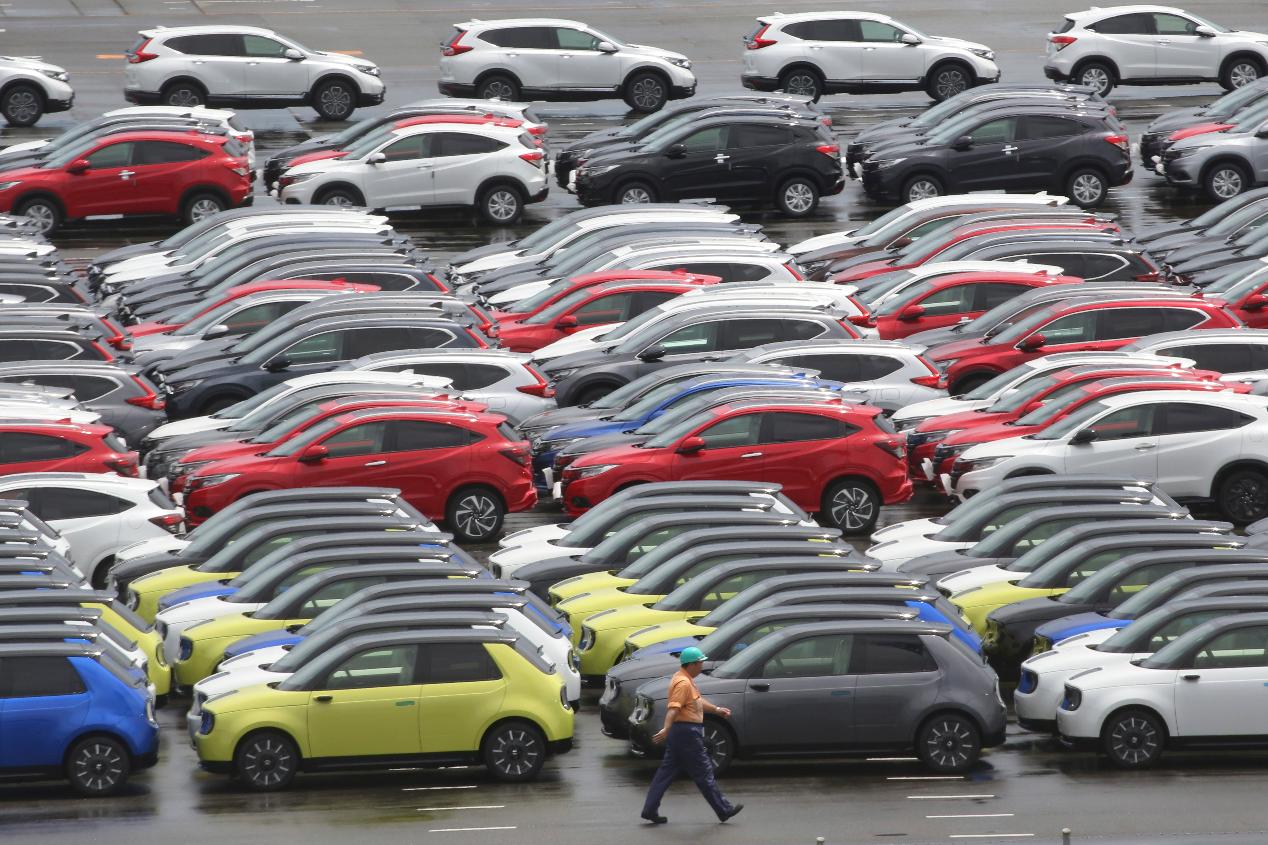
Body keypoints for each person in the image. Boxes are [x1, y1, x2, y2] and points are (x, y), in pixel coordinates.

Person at [640, 646, 743, 825]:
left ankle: (649, 810)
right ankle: (724, 809)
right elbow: (673, 709)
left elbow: (697, 702)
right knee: (704, 772)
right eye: (700, 663)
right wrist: (666, 728)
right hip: (686, 733)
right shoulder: (683, 683)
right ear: (691, 664)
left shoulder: (685, 679)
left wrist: (717, 710)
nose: (702, 666)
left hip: (682, 733)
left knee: (666, 772)